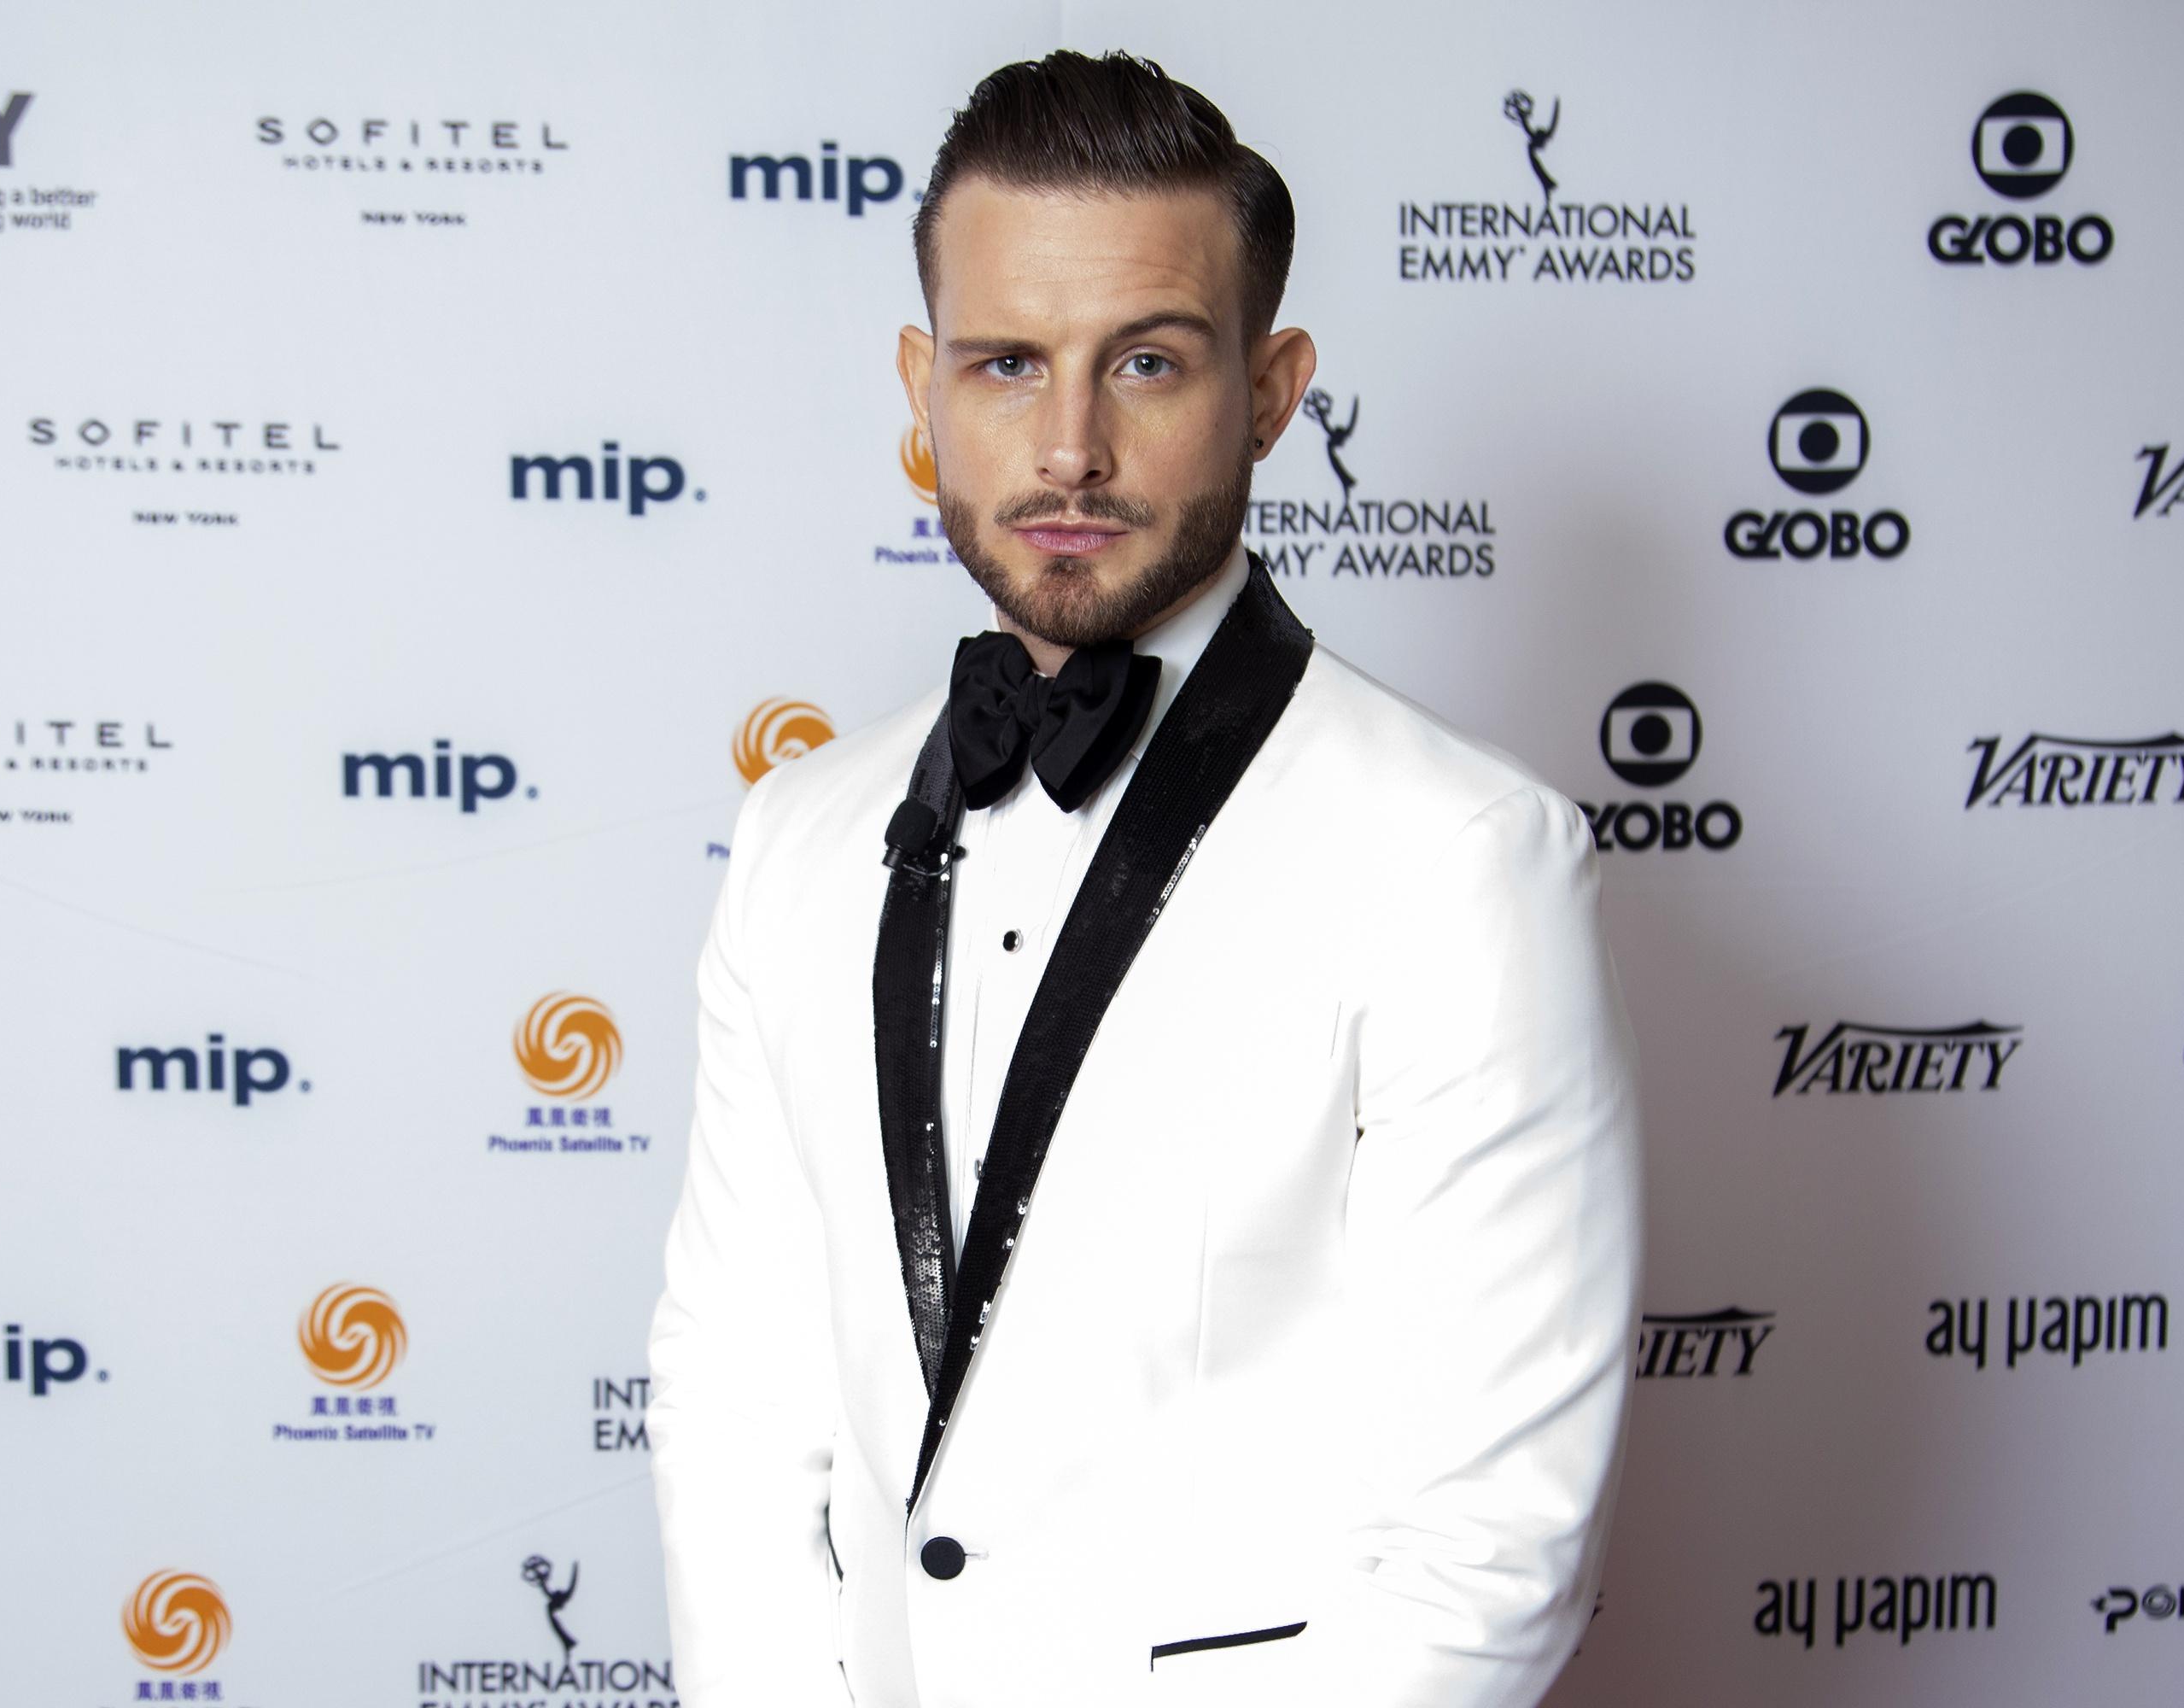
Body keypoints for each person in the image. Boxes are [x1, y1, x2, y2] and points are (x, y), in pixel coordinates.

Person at [647, 50, 1641, 1708]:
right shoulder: (798, 836)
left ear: (1267, 387)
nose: (1067, 448)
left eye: (1149, 363)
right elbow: (734, 1397)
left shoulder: (1462, 859)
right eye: (1004, 364)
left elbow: (1489, 1547)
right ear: (922, 385)